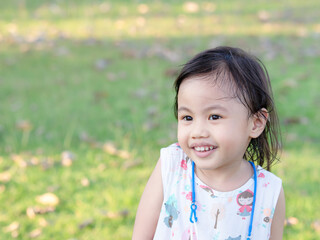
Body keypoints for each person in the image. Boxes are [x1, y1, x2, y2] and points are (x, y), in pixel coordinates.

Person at [132, 46, 285, 240]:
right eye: (187, 118)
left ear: (256, 123)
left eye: (214, 116)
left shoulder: (269, 191)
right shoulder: (171, 166)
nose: (197, 132)